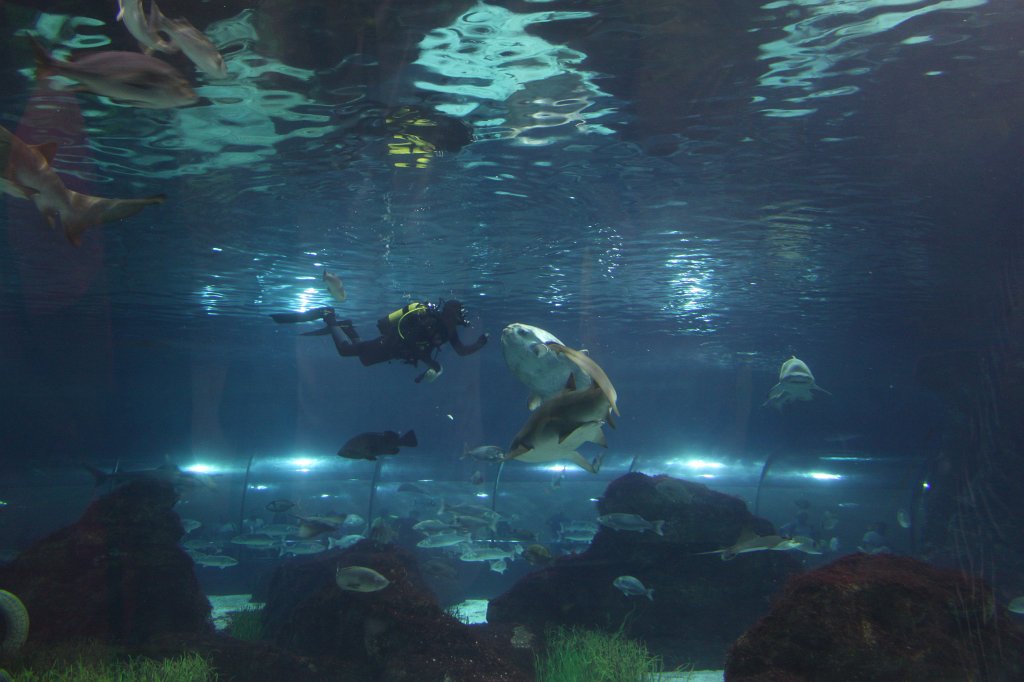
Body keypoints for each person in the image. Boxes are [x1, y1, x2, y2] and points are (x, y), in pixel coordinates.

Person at [272, 299, 487, 382]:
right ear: (449, 313)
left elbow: (460, 351)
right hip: (389, 344)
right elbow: (414, 345)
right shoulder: (428, 321)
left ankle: (346, 327)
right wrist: (431, 363)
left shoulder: (447, 331)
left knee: (363, 359)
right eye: (457, 314)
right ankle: (329, 316)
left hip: (393, 350)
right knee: (346, 350)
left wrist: (480, 343)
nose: (459, 319)